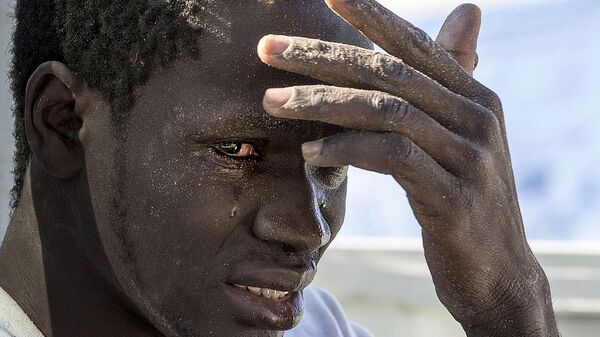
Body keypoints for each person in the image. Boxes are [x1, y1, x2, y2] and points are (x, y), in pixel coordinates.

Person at [0, 0, 559, 336]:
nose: (307, 228)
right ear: (64, 123)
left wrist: (509, 304)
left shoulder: (319, 327)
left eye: (332, 159)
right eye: (240, 152)